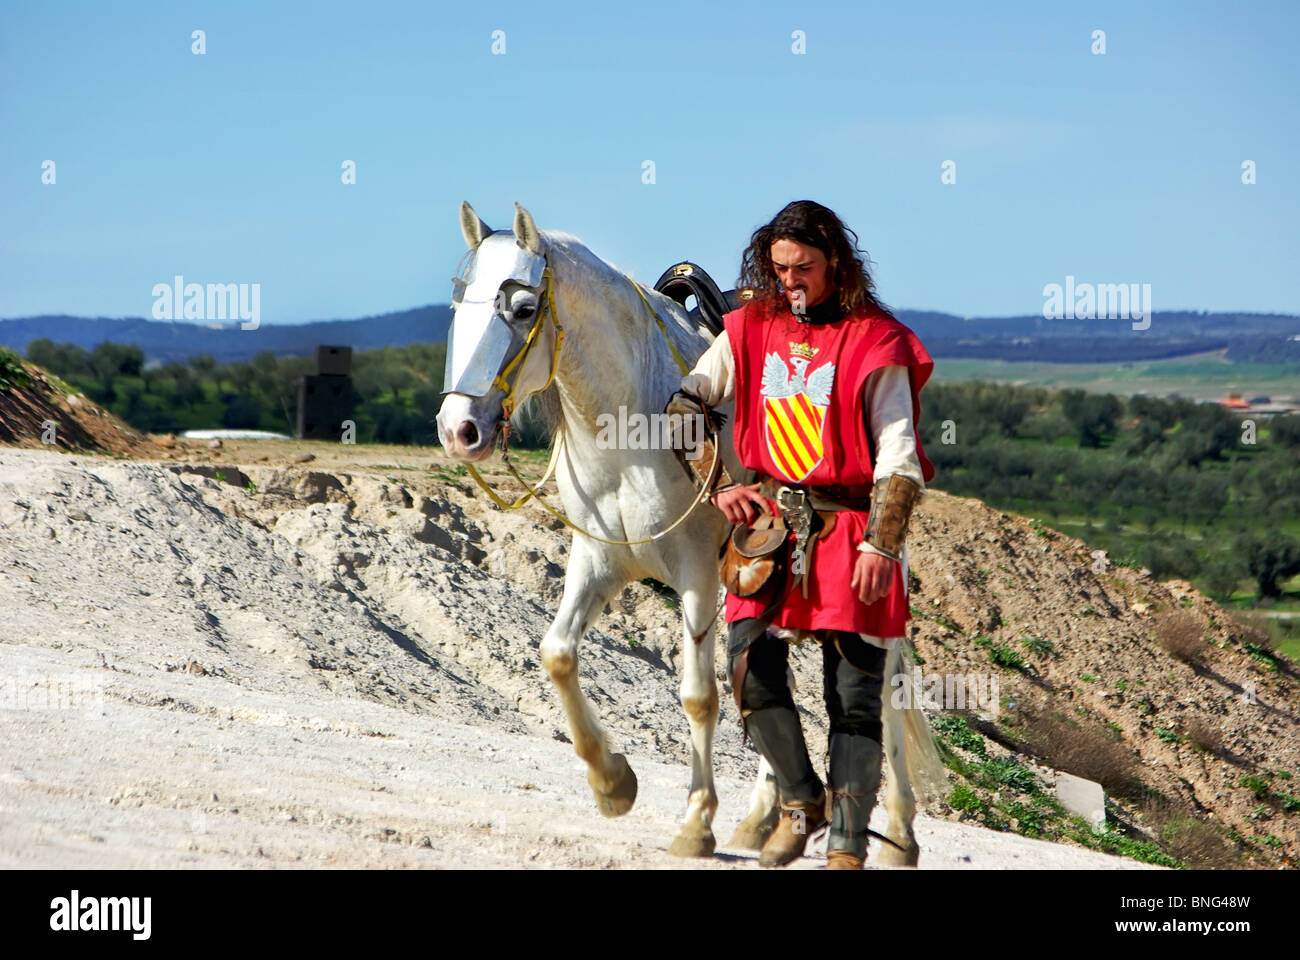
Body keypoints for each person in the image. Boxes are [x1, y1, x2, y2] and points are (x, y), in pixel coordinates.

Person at [671, 200, 936, 869]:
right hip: (765, 528)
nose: (790, 281)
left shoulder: (878, 340)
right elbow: (682, 408)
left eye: (804, 268)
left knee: (852, 691)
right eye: (780, 267)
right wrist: (717, 484)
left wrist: (882, 544)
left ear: (835, 264)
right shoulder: (748, 330)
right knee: (745, 667)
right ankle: (799, 801)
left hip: (850, 524)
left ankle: (847, 842)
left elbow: (899, 458)